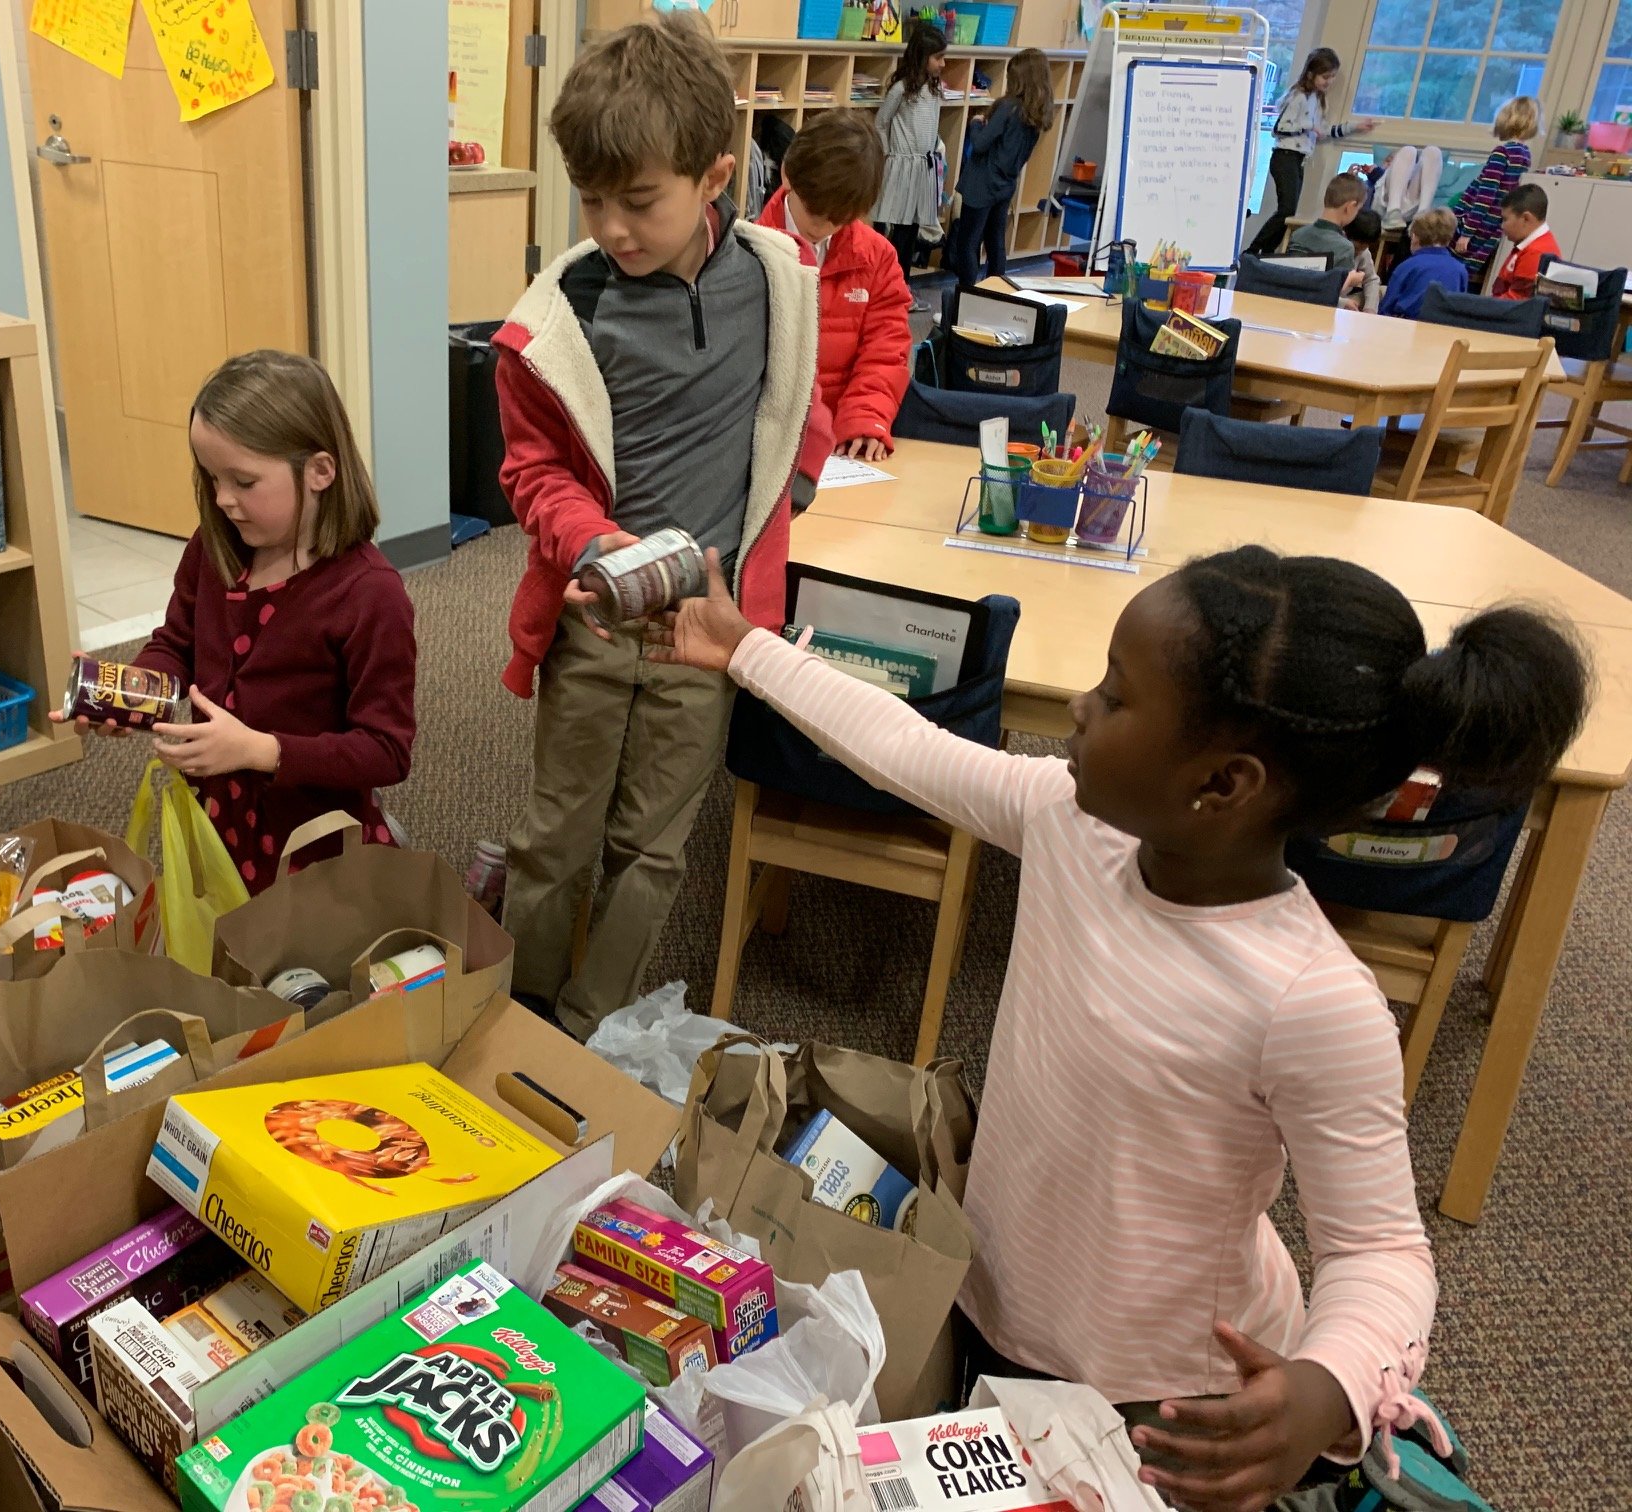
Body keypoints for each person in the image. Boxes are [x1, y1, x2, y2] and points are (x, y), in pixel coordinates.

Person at [649, 544, 1590, 1511]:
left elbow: (1382, 1251)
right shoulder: (1074, 822)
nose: (1080, 709)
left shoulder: (1311, 997)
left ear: (1225, 784)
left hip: (1168, 1390)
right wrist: (745, 650)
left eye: (1116, 693)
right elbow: (912, 752)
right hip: (996, 1297)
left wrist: (1327, 1387)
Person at [490, 12, 829, 1040]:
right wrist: (593, 542)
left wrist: (798, 483)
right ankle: (525, 1008)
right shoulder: (563, 316)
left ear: (715, 176)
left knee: (654, 843)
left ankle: (591, 1024)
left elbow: (797, 399)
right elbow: (531, 467)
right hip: (598, 620)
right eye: (591, 199)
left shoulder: (776, 282)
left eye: (639, 201)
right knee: (557, 837)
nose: (612, 227)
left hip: (709, 629)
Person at [53, 350, 417, 890]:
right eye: (211, 477)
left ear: (320, 471)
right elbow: (176, 643)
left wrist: (259, 750)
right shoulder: (215, 549)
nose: (222, 499)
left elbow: (385, 751)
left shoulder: (369, 595)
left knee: (300, 959)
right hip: (219, 814)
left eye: (244, 482)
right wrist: (135, 691)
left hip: (311, 839)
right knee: (223, 936)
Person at [755, 110, 911, 462]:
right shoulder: (749, 254)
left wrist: (866, 418)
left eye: (839, 219)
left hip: (844, 447)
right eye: (815, 212)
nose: (825, 226)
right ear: (787, 175)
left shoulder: (877, 259)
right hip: (769, 447)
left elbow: (886, 351)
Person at [1246, 48, 1376, 258]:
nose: (1329, 81)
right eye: (1326, 76)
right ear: (1311, 74)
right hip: (1284, 156)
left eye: (1332, 77)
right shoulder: (1298, 97)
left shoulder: (1317, 100)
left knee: (1289, 211)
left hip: (1298, 159)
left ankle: (1264, 252)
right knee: (1286, 210)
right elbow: (1279, 129)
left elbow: (1325, 132)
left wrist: (1355, 127)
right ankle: (1254, 251)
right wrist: (1307, 127)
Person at [948, 47, 1053, 290]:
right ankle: (997, 292)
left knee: (969, 242)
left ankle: (966, 294)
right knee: (996, 242)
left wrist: (976, 124)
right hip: (1005, 184)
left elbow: (982, 143)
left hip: (982, 183)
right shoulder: (1036, 112)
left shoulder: (1008, 107)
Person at [871, 20, 948, 311]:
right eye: (938, 57)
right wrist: (891, 155)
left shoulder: (934, 89)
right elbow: (881, 123)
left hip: (922, 170)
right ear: (922, 56)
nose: (943, 63)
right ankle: (888, 290)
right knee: (894, 232)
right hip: (901, 168)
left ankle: (902, 289)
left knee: (911, 233)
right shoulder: (902, 89)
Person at [1450, 96, 1538, 278]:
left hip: (1476, 225)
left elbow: (1485, 197)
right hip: (1494, 227)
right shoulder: (1525, 155)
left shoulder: (1502, 152)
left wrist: (1467, 233)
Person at [1379, 208, 1469, 320]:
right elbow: (1461, 306)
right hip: (1444, 329)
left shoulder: (1407, 266)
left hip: (1407, 326)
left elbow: (1387, 307)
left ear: (1415, 237)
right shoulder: (1460, 269)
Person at [1491, 182, 1561, 300]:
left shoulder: (1536, 253)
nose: (1502, 226)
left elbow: (1514, 305)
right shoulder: (1526, 244)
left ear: (1526, 218)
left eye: (1505, 219)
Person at [1286, 172, 1367, 270]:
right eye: (1358, 209)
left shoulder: (1298, 235)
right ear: (1350, 207)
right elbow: (1339, 284)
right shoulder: (1345, 248)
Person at [1338, 207, 1382, 311]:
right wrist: (1342, 302)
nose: (1360, 251)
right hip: (1330, 299)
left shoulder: (1364, 252)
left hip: (1346, 297)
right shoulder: (1337, 248)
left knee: (1381, 290)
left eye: (1365, 247)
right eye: (1357, 247)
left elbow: (1371, 279)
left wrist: (1370, 308)